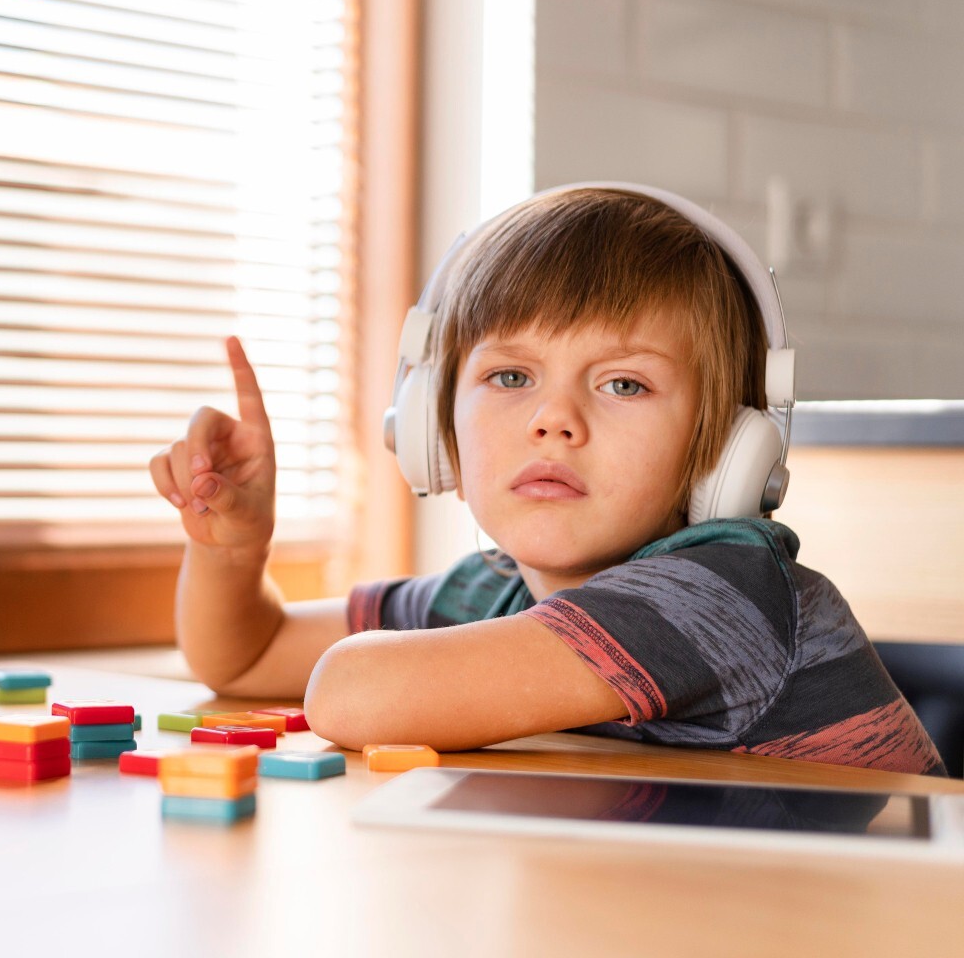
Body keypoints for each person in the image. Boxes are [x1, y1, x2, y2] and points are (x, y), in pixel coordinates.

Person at [149, 183, 946, 775]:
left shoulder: (723, 590)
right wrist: (232, 548)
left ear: (723, 449)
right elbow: (245, 659)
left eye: (623, 384)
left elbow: (351, 695)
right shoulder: (494, 594)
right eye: (509, 377)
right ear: (432, 424)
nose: (553, 421)